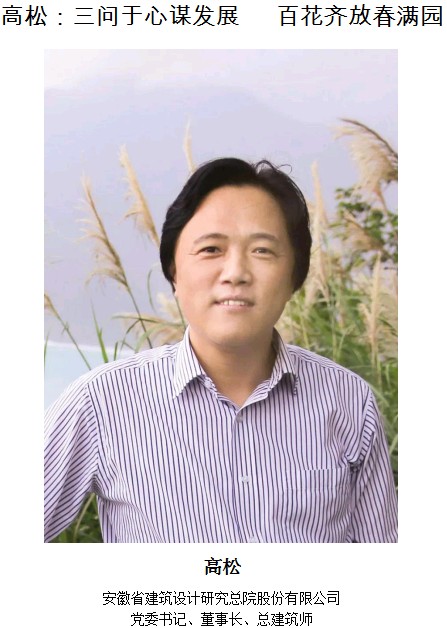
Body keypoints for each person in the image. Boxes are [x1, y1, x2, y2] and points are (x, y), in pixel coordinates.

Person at [44, 157, 398, 543]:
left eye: (262, 250)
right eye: (211, 249)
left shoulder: (349, 402)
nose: (235, 273)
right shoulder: (100, 402)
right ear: (173, 271)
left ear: (295, 275)